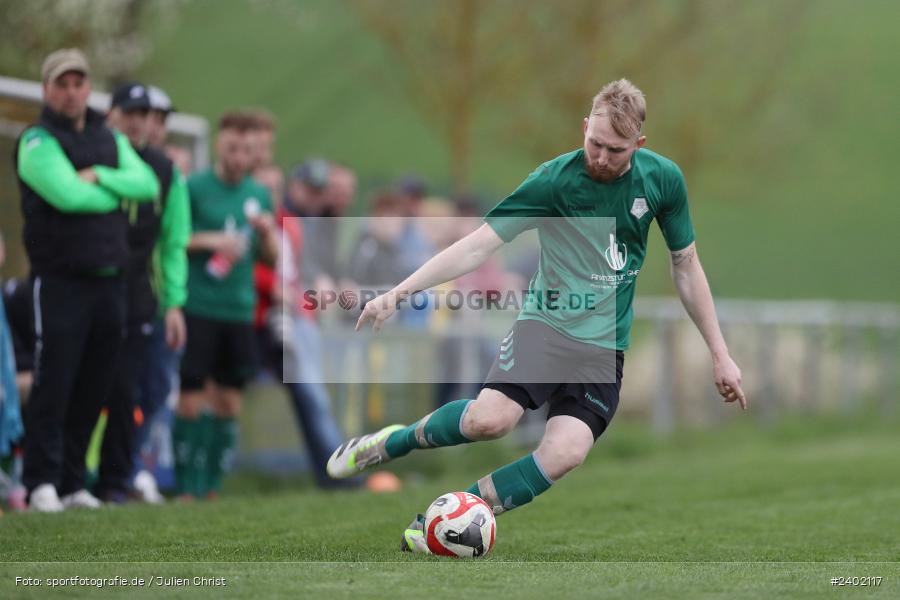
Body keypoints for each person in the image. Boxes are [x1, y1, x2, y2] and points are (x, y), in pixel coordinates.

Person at [326, 79, 747, 552]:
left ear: (639, 144)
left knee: (565, 453)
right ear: (584, 127)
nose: (601, 157)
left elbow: (686, 266)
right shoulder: (553, 181)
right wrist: (399, 293)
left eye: (615, 150)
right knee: (489, 422)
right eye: (595, 143)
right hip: (545, 327)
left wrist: (720, 353)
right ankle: (391, 443)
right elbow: (477, 245)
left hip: (604, 345)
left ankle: (443, 520)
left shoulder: (663, 180)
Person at [15, 49, 160, 511]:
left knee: (93, 386)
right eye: (62, 83)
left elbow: (147, 184)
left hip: (110, 281)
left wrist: (98, 175)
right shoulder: (36, 141)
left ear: (88, 88)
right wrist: (113, 190)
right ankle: (40, 481)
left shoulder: (107, 137)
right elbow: (68, 196)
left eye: (78, 83)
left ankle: (72, 482)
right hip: (61, 281)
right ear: (47, 90)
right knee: (55, 382)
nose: (71, 92)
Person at [94, 82, 190, 504]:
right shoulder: (92, 155)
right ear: (112, 115)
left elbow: (173, 243)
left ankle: (115, 481)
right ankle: (61, 478)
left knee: (131, 392)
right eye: (132, 113)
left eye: (147, 115)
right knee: (84, 385)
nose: (142, 123)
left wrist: (174, 303)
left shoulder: (165, 171)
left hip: (139, 298)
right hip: (88, 288)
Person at [175, 111, 278, 500]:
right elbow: (173, 238)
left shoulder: (259, 194)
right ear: (220, 145)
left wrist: (267, 235)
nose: (238, 157)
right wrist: (211, 240)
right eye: (232, 148)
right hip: (199, 305)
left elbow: (271, 259)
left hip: (239, 310)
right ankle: (187, 488)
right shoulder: (194, 187)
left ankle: (212, 488)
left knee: (230, 400)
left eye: (246, 151)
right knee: (191, 397)